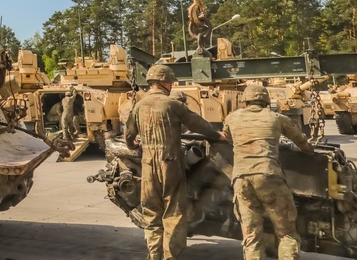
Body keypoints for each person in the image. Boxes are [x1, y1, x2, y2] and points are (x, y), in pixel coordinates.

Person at [125, 64, 225, 260]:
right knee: (174, 213)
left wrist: (133, 144)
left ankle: (154, 255)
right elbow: (197, 124)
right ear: (163, 82)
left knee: (152, 212)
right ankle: (171, 257)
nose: (171, 85)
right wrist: (217, 135)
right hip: (170, 163)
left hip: (147, 164)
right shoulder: (173, 105)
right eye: (170, 81)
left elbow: (129, 134)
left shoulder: (139, 105)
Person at [223, 84, 314, 260]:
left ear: (245, 100)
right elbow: (302, 142)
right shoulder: (277, 118)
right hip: (269, 176)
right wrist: (309, 148)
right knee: (286, 233)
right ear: (266, 101)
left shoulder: (232, 118)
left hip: (241, 179)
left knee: (252, 237)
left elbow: (227, 137)